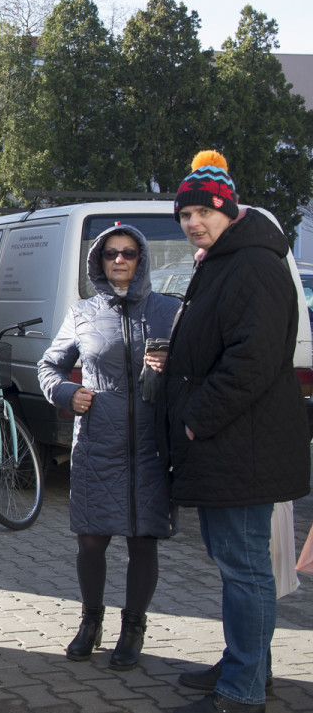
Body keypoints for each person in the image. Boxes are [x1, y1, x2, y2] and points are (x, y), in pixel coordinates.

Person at [163, 151, 310, 713]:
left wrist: (198, 416)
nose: (193, 222)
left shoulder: (252, 264)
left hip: (239, 444)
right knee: (238, 567)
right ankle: (249, 664)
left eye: (204, 211)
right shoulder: (224, 259)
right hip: (232, 444)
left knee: (246, 570)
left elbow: (252, 359)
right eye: (185, 214)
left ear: (229, 211)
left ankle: (243, 691)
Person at [38, 225, 180, 670]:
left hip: (150, 447)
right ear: (98, 261)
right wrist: (66, 393)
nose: (119, 260)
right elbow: (49, 366)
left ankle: (134, 626)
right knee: (92, 540)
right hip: (98, 443)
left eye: (129, 253)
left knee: (143, 541)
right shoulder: (82, 313)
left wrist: (173, 365)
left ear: (142, 260)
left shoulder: (169, 311)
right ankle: (90, 622)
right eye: (110, 254)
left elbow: (199, 369)